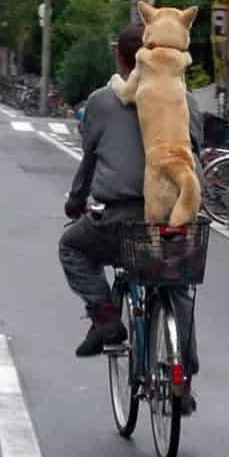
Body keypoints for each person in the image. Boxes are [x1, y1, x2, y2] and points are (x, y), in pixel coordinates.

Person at [59, 21, 202, 407]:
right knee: (175, 281)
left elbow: (89, 161)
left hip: (118, 222)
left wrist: (76, 201)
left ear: (123, 58)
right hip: (170, 218)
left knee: (72, 246)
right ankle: (182, 373)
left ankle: (106, 316)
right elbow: (196, 154)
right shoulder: (185, 100)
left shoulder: (103, 101)